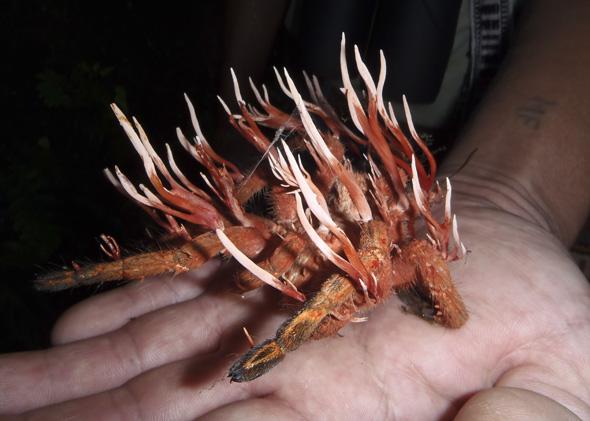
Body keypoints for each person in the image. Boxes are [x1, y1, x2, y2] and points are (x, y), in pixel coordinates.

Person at [1, 0, 589, 419]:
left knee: (396, 244)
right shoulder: (298, 211)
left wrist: (280, 344)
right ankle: (93, 274)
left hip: (422, 162)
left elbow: (419, 258)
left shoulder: (391, 245)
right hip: (321, 79)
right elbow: (232, 233)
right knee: (243, 227)